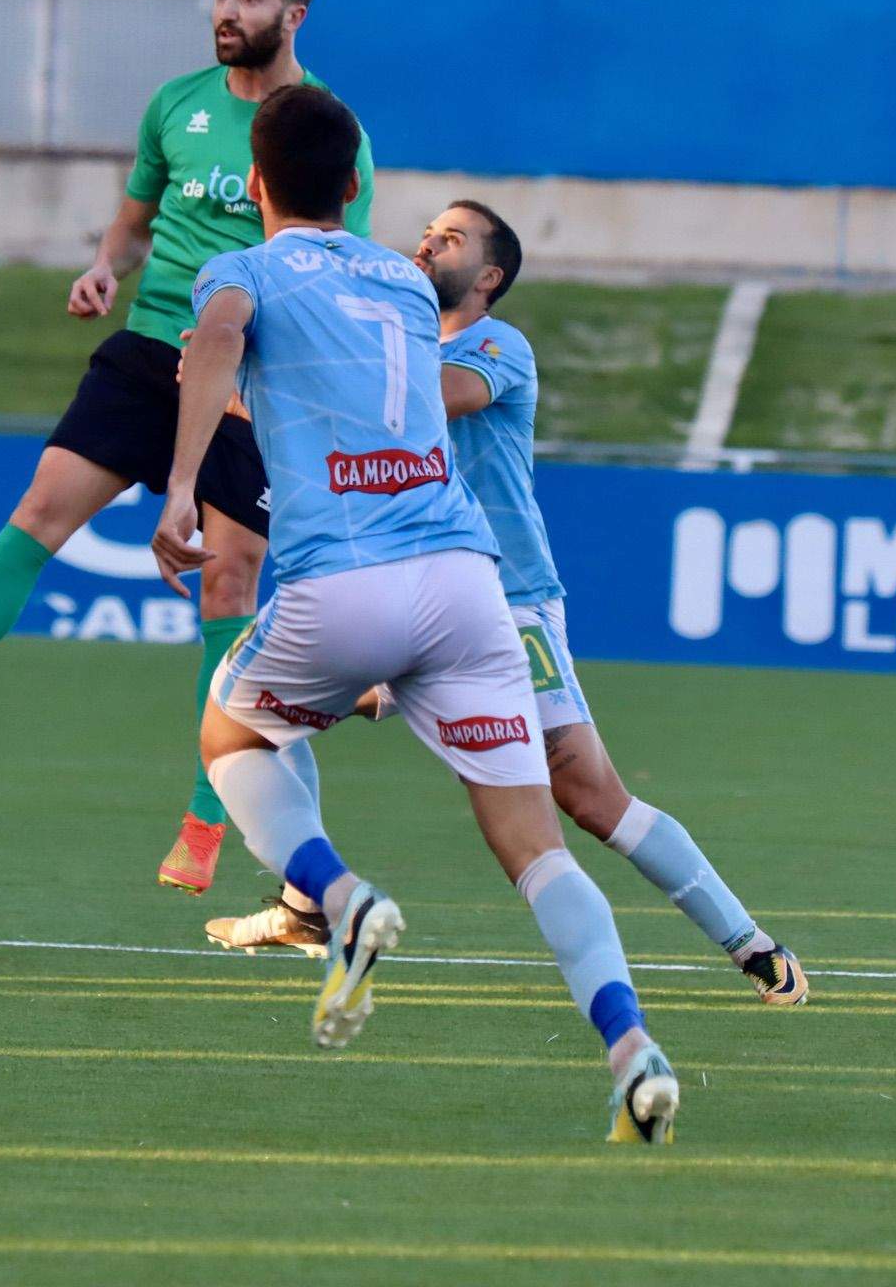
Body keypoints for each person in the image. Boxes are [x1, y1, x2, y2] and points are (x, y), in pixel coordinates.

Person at [156, 85, 681, 1143]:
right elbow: (357, 389)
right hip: (465, 588)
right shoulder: (402, 282)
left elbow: (217, 336)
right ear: (356, 188)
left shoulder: (242, 271)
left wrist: (179, 486)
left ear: (255, 185)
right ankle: (634, 1048)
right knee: (538, 850)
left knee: (230, 729)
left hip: (340, 581)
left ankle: (335, 895)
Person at [0, 0, 372, 899]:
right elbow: (134, 225)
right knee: (40, 508)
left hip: (248, 383)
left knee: (228, 587)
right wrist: (104, 266)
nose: (227, 11)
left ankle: (207, 817)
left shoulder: (327, 128)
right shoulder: (176, 107)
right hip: (146, 353)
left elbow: (333, 255)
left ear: (292, 15)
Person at [205, 201, 809, 1006]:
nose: (427, 241)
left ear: (488, 277)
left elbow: (428, 399)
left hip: (506, 602)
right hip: (412, 589)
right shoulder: (388, 340)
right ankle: (308, 902)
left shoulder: (494, 348)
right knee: (265, 718)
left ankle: (753, 945)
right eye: (428, 229)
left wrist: (281, 370)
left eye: (451, 238)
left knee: (590, 794)